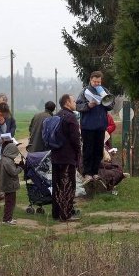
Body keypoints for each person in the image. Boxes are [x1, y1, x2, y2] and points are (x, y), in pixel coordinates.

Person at [76, 71, 115, 185]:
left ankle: (95, 172)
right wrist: (88, 105)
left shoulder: (105, 90)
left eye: (99, 82)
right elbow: (78, 106)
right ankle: (87, 173)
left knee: (98, 150)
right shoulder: (84, 91)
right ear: (90, 80)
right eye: (95, 82)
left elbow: (111, 105)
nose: (97, 84)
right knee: (88, 150)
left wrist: (106, 102)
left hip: (101, 126)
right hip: (87, 126)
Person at [51, 94, 82, 222]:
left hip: (55, 156)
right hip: (67, 157)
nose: (75, 103)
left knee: (57, 184)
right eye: (73, 101)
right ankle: (66, 214)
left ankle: (56, 212)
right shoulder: (71, 117)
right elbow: (75, 139)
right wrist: (78, 153)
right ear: (67, 102)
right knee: (68, 185)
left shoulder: (56, 116)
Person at [0, 141, 24, 225]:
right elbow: (13, 172)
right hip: (10, 185)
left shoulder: (5, 159)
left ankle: (8, 218)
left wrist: (17, 165)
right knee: (10, 202)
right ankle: (7, 219)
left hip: (7, 184)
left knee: (9, 202)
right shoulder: (8, 161)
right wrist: (20, 167)